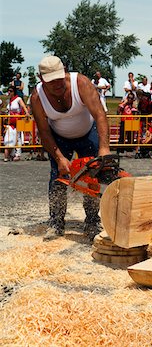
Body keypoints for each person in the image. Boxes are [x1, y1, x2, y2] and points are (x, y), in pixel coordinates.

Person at [31, 56, 111, 241]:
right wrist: (59, 158)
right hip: (58, 138)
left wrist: (104, 148)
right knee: (57, 178)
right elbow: (43, 132)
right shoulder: (37, 97)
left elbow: (100, 115)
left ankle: (92, 221)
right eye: (52, 81)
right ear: (42, 79)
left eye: (60, 78)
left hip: (87, 133)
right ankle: (56, 222)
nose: (58, 84)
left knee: (92, 177)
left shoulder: (81, 83)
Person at [5, 86, 30, 161]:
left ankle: (18, 154)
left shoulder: (18, 99)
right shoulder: (9, 101)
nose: (9, 92)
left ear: (14, 92)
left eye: (11, 91)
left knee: (18, 137)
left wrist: (27, 113)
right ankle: (12, 154)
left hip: (18, 120)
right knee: (11, 137)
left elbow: (23, 106)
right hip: (11, 121)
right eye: (8, 91)